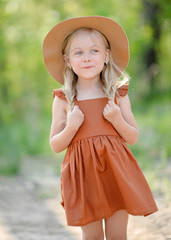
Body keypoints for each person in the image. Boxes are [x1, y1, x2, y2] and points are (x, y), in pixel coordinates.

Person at [43, 16, 158, 240]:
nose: (87, 58)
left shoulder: (117, 94)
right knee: (92, 236)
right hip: (83, 177)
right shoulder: (64, 100)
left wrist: (116, 119)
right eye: (78, 53)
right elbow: (55, 144)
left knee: (117, 235)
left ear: (106, 56)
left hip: (116, 172)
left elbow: (132, 136)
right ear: (67, 60)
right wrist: (72, 126)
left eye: (94, 51)